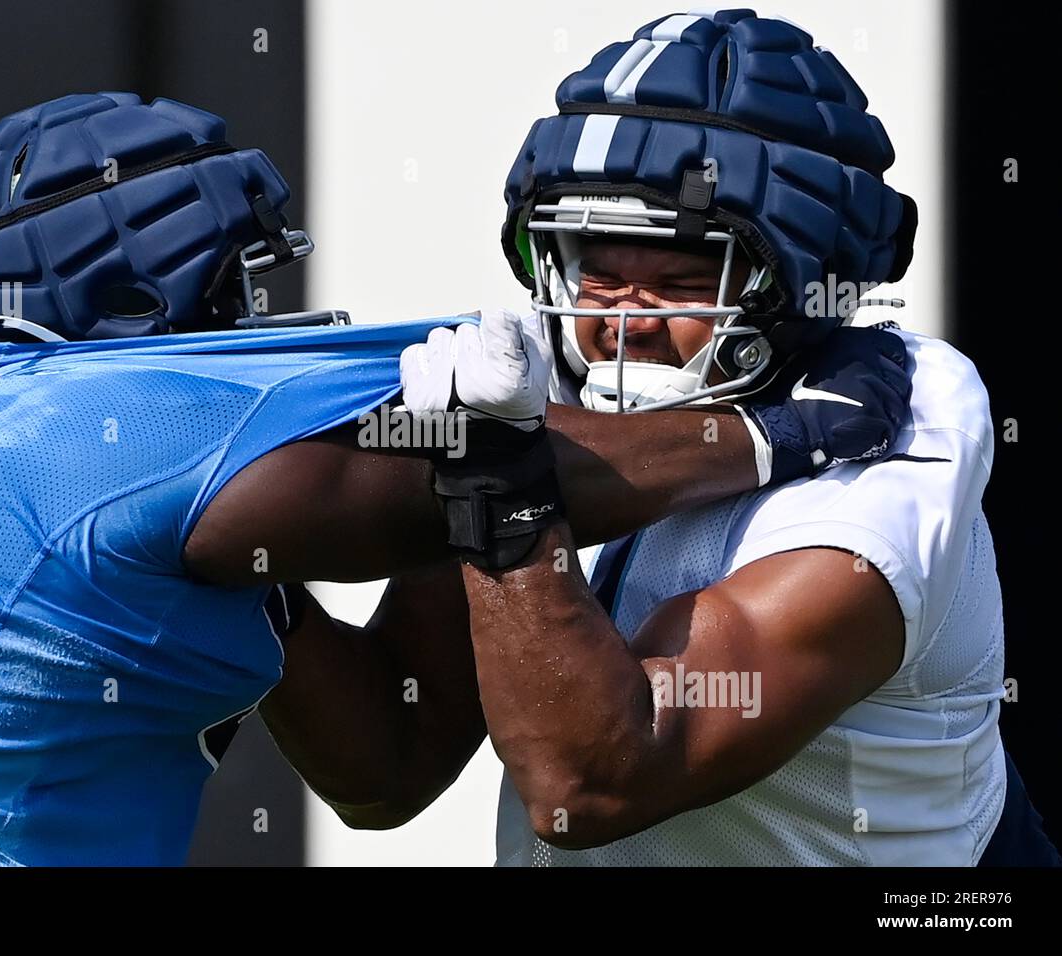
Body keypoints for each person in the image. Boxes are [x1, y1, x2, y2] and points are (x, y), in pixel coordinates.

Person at [0, 91, 908, 866]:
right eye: (236, 277)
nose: (260, 314)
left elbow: (380, 763)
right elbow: (460, 478)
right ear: (129, 289)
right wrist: (776, 431)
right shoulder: (113, 418)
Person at [271, 8, 1054, 866]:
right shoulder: (537, 389)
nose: (623, 325)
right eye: (597, 272)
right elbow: (388, 765)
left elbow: (592, 780)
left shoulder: (899, 446)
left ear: (799, 284)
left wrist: (504, 497)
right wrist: (239, 551)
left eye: (681, 279)